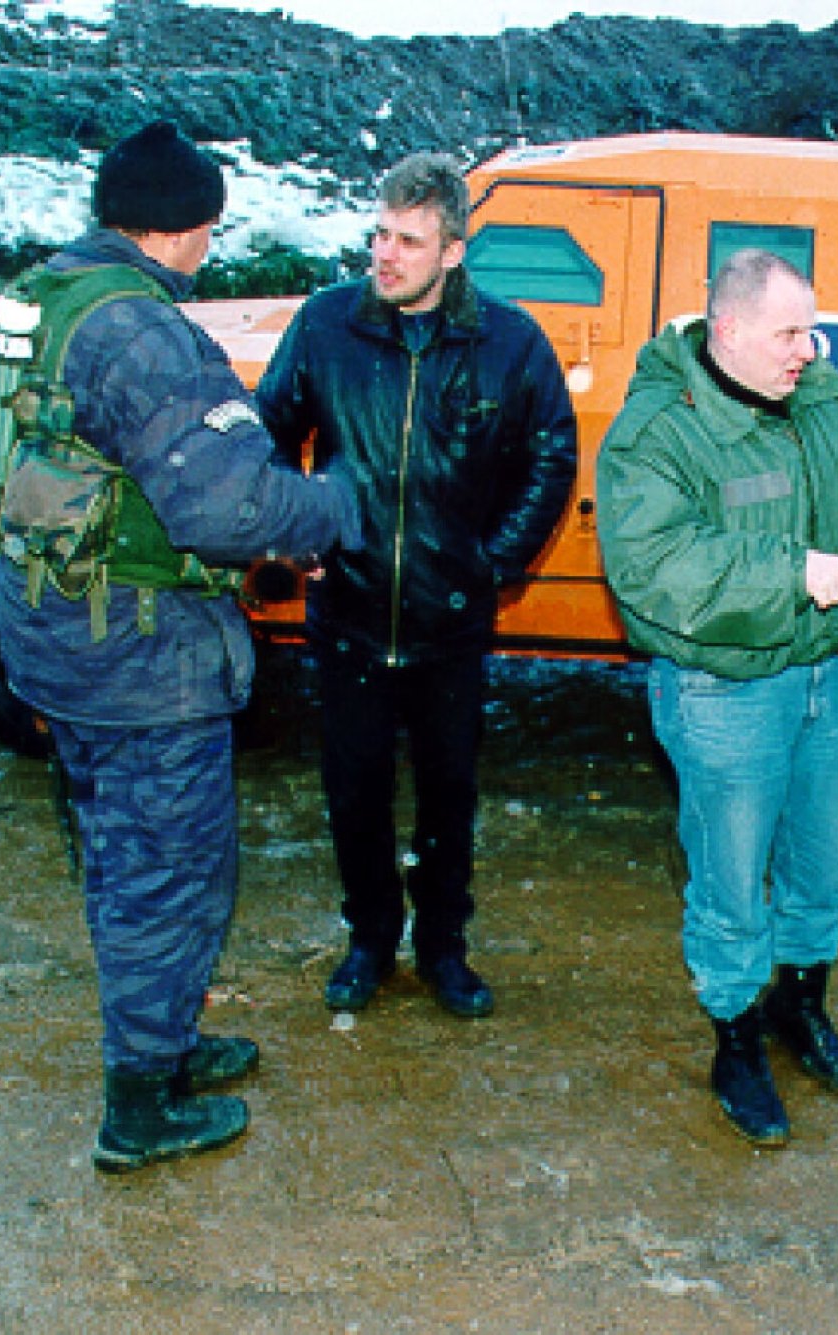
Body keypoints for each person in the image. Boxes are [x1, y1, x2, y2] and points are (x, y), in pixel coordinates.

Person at [0, 120, 364, 1172]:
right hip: (139, 658)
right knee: (164, 871)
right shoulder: (145, 333)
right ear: (181, 226)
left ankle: (167, 1044)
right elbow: (226, 506)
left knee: (120, 855)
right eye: (209, 223)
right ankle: (140, 1108)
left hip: (57, 635)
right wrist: (332, 510)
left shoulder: (40, 296)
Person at [596, 249, 838, 1147]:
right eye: (787, 332)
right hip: (724, 689)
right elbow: (651, 566)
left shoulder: (820, 393)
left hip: (824, 675)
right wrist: (788, 575)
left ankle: (797, 1007)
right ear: (725, 330)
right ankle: (734, 1037)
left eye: (810, 328)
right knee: (730, 881)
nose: (805, 349)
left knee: (819, 868)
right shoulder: (660, 429)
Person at [256, 152, 576, 1020]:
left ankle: (442, 948)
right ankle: (368, 939)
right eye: (378, 234)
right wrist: (301, 529)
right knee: (353, 791)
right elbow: (270, 430)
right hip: (350, 615)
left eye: (408, 240)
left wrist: (494, 563)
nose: (384, 255)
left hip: (450, 625)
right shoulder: (326, 326)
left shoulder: (508, 343)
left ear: (454, 253)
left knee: (448, 795)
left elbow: (552, 456)